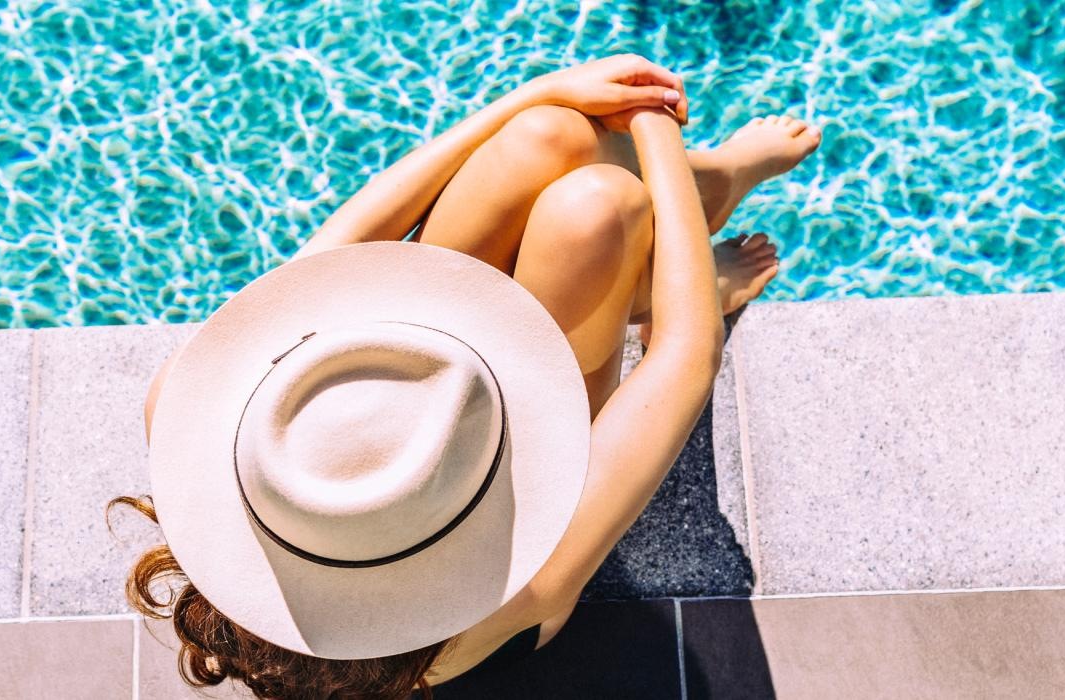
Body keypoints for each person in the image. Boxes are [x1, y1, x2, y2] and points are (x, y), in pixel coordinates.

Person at [115, 54, 821, 698]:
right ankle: (697, 211)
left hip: (442, 402)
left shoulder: (197, 413)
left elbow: (347, 240)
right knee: (598, 207)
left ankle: (671, 228)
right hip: (488, 479)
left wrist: (534, 95)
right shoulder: (527, 584)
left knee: (541, 137)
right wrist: (654, 129)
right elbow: (683, 355)